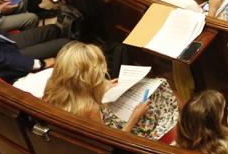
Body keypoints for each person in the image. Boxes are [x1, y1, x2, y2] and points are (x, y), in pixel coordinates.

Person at [43, 41, 178, 141]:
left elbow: (78, 90)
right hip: (115, 135)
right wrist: (135, 116)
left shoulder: (51, 87)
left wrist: (104, 86)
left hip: (79, 135)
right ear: (88, 78)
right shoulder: (90, 108)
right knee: (159, 93)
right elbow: (112, 142)